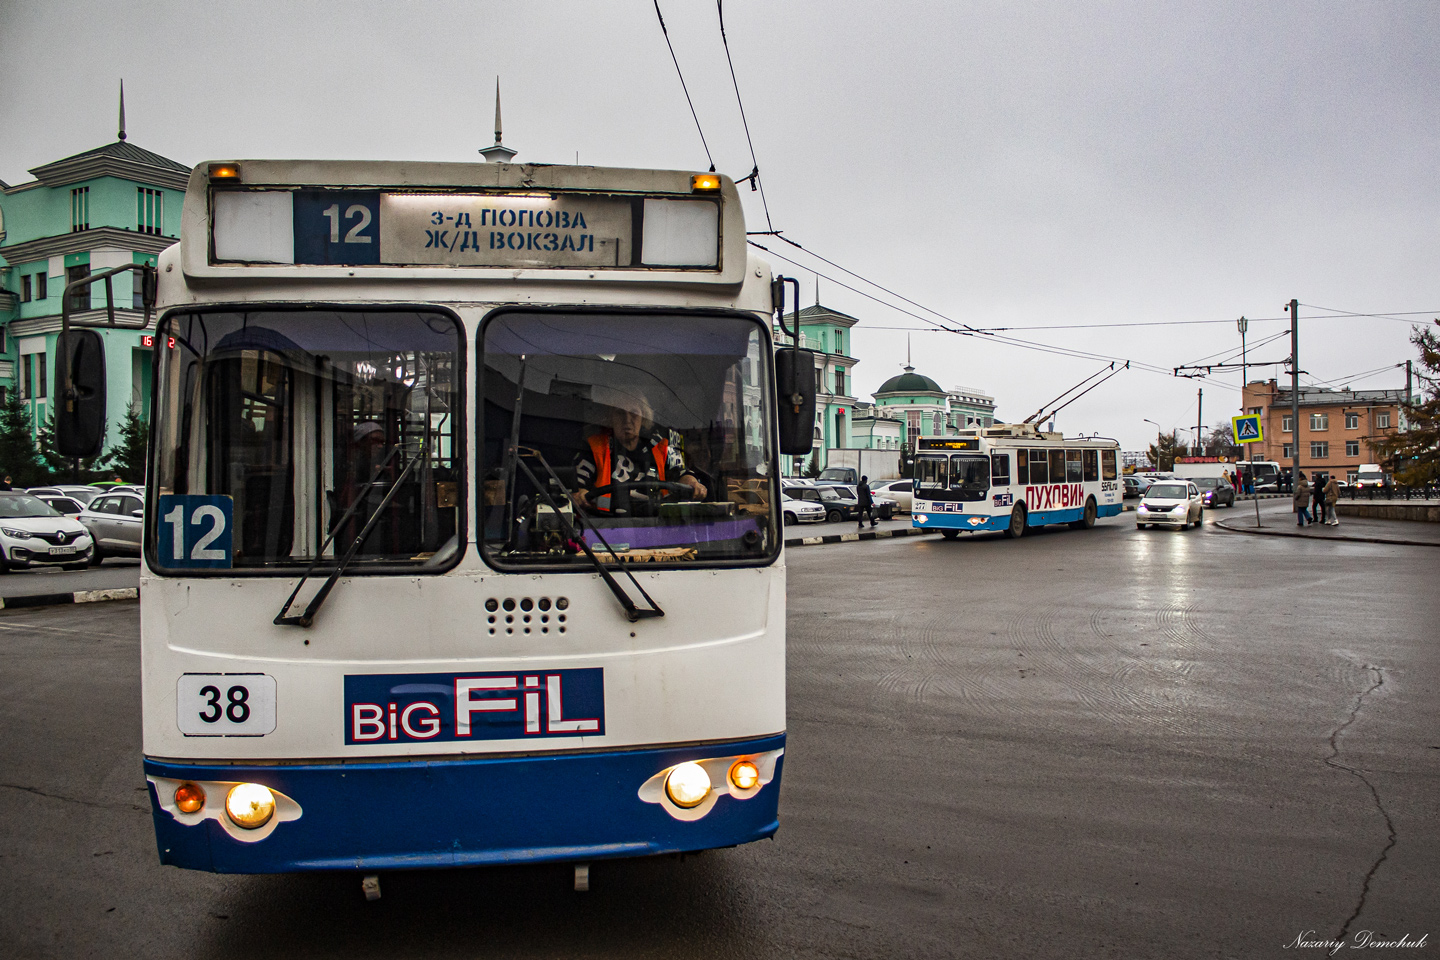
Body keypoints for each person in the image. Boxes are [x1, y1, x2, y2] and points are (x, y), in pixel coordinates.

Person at [572, 394, 706, 514]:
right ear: (611, 418)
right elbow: (578, 488)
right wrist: (581, 494)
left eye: (634, 413)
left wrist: (692, 482)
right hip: (606, 527)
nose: (627, 420)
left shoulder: (661, 446)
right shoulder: (594, 448)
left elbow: (682, 472)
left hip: (657, 526)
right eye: (620, 413)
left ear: (644, 417)